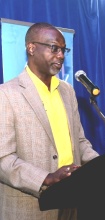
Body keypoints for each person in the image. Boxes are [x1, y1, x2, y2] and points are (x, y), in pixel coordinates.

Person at [0, 23, 99, 219]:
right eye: (54, 48)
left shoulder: (67, 91)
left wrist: (103, 167)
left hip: (71, 201)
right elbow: (3, 159)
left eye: (63, 49)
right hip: (31, 207)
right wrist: (47, 178)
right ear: (31, 48)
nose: (61, 55)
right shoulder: (6, 94)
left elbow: (79, 142)